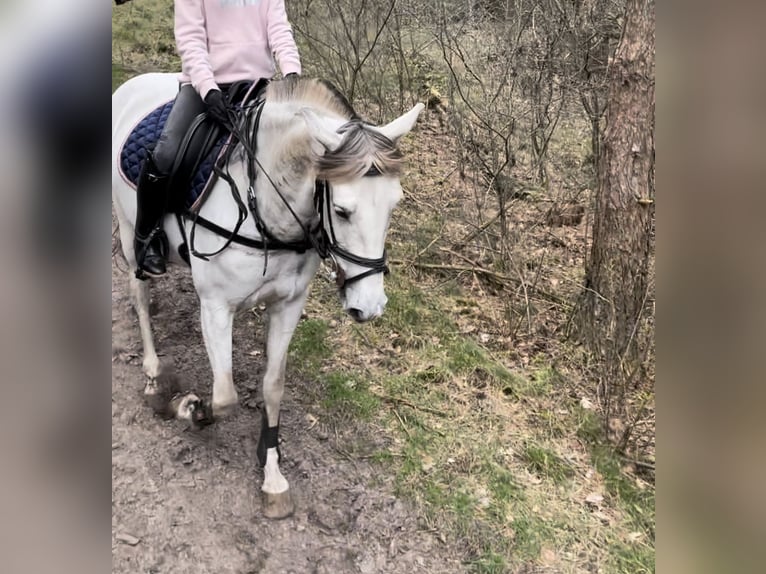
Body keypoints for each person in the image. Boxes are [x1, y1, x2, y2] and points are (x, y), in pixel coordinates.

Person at [134, 0, 302, 277]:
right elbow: (190, 40)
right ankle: (146, 237)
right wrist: (208, 89)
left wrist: (292, 73)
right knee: (166, 153)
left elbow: (280, 30)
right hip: (205, 86)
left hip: (258, 85)